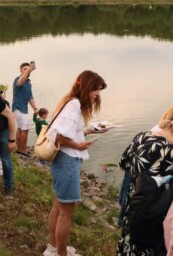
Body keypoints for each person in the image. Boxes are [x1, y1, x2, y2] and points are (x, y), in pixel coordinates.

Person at [43, 70, 108, 256]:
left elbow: (67, 131)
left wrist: (88, 131)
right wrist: (78, 145)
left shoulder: (69, 102)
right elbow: (61, 135)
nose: (97, 94)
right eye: (95, 89)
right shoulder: (74, 105)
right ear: (86, 87)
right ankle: (61, 253)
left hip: (63, 160)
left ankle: (52, 247)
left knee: (58, 207)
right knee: (65, 213)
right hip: (68, 161)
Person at [117, 118, 173, 256]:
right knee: (144, 243)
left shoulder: (142, 136)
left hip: (132, 197)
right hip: (150, 205)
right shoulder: (169, 152)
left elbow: (123, 162)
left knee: (130, 236)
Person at [12, 62, 38, 156]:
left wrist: (35, 108)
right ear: (20, 70)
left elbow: (30, 97)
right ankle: (22, 150)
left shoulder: (28, 82)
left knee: (20, 128)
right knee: (24, 129)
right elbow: (20, 82)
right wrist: (28, 71)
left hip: (24, 108)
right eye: (24, 69)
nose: (27, 70)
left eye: (28, 68)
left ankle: (19, 148)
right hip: (18, 107)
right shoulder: (18, 79)